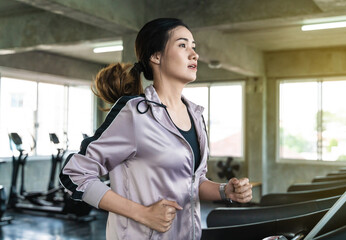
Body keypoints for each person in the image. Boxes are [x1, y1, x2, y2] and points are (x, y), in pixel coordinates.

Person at [60, 18, 252, 240]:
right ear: (156, 56)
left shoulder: (195, 116)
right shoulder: (135, 113)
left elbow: (193, 181)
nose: (194, 54)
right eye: (182, 45)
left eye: (193, 46)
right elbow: (74, 173)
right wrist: (142, 213)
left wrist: (224, 190)